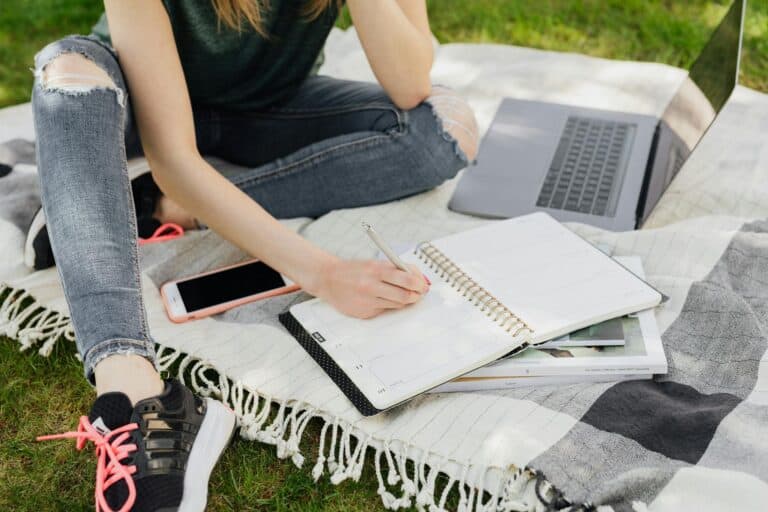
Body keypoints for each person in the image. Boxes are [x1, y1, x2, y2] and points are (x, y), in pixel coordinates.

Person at [30, 0, 479, 510]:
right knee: (67, 68)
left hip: (267, 110)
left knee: (445, 130)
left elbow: (411, 84)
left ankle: (125, 202)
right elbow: (174, 158)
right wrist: (323, 272)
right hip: (136, 102)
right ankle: (136, 393)